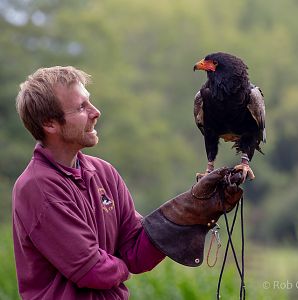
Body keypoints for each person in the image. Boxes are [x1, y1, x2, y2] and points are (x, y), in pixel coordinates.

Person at [13, 66, 243, 300]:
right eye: (81, 107)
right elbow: (92, 270)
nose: (96, 112)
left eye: (89, 102)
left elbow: (136, 251)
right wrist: (123, 267)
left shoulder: (103, 172)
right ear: (50, 123)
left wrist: (192, 208)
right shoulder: (37, 188)